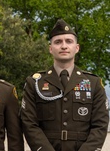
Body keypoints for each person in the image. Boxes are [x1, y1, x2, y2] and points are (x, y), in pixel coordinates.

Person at [20, 19, 109, 151]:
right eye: (58, 42)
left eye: (69, 41)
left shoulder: (93, 83)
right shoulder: (35, 83)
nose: (63, 46)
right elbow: (29, 123)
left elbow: (100, 125)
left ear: (76, 47)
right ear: (50, 49)